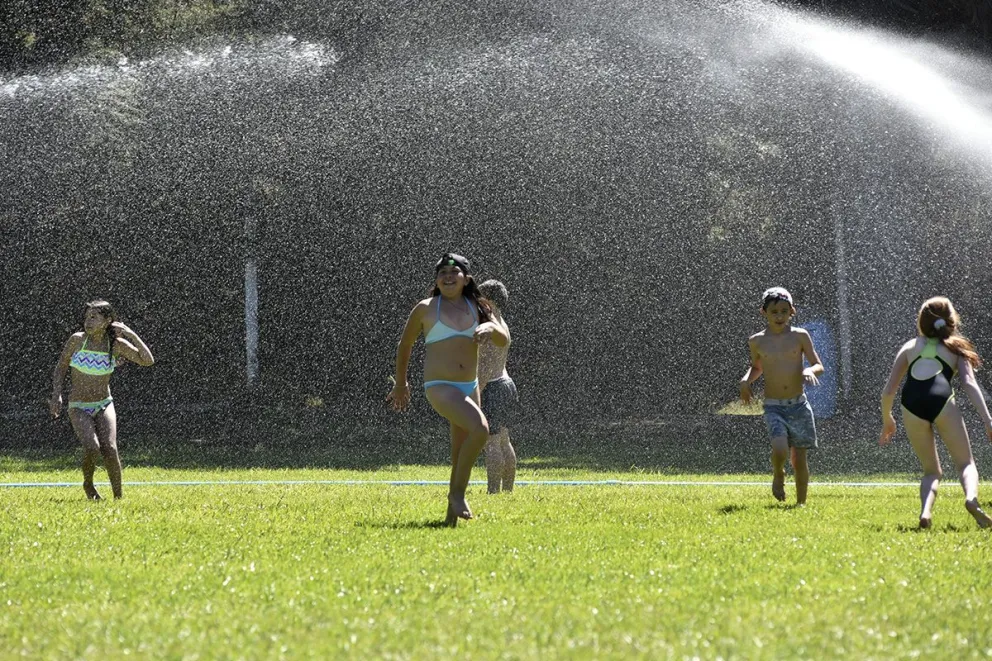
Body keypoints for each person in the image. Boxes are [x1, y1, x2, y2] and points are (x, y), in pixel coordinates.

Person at [387, 254, 509, 525]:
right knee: (481, 429)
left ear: (466, 278)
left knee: (460, 452)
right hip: (440, 386)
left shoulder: (478, 306)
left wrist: (490, 326)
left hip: (470, 385)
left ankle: (450, 519)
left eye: (454, 272)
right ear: (437, 280)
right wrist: (400, 383)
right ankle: (456, 495)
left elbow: (504, 340)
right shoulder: (426, 308)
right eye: (442, 273)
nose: (448, 276)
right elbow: (405, 345)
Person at [880, 296, 992, 529]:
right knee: (965, 464)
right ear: (951, 321)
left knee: (931, 471)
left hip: (910, 404)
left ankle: (925, 513)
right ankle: (971, 499)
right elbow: (969, 384)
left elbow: (889, 390)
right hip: (942, 400)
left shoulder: (910, 347)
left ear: (921, 323)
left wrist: (887, 419)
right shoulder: (957, 348)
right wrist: (988, 420)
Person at [50, 300, 155, 500]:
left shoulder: (115, 345)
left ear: (107, 321)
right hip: (79, 406)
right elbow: (61, 367)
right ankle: (88, 484)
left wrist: (131, 334)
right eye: (86, 317)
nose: (88, 322)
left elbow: (148, 361)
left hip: (104, 404)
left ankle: (118, 498)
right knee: (92, 447)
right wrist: (57, 394)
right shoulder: (77, 340)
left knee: (110, 447)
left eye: (94, 317)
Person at [739, 287, 824, 506]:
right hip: (774, 406)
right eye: (774, 311)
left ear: (791, 312)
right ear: (763, 312)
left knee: (799, 459)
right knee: (780, 448)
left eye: (784, 311)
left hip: (798, 405)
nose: (779, 316)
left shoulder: (800, 336)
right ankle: (778, 473)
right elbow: (756, 367)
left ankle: (801, 503)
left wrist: (808, 370)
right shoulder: (757, 341)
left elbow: (818, 365)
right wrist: (746, 380)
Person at [477, 279, 519, 494]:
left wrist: (477, 393)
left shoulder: (490, 327)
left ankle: (493, 492)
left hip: (492, 386)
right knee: (504, 440)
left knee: (491, 443)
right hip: (507, 385)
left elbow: (484, 365)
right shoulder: (502, 323)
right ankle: (508, 491)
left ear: (488, 300)